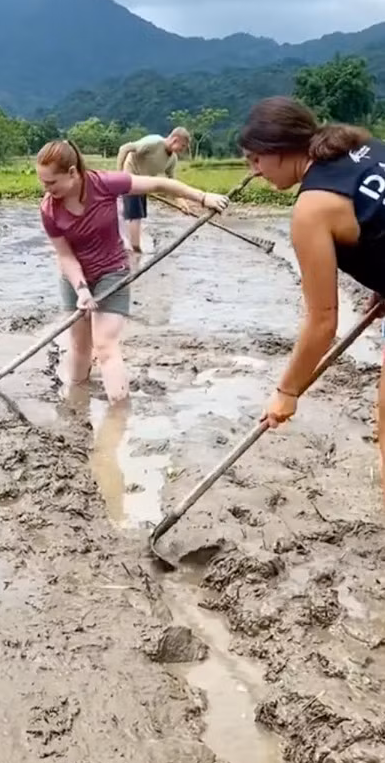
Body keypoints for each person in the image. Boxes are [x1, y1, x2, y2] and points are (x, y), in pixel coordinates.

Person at [238, 96, 385, 493]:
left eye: (255, 159)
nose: (253, 172)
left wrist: (286, 392)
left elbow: (323, 320)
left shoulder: (312, 208)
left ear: (280, 151)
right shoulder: (366, 150)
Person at [37, 138, 229, 404]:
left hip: (111, 272)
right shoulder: (49, 210)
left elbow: (160, 184)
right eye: (42, 182)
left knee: (104, 344)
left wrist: (203, 197)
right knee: (80, 347)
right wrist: (81, 290)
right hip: (74, 279)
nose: (46, 189)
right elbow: (66, 256)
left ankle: (119, 414)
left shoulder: (104, 184)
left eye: (51, 183)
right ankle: (76, 401)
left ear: (72, 173)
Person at [117, 128, 191, 252]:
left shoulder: (172, 159)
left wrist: (181, 202)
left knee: (138, 214)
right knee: (135, 215)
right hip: (130, 177)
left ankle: (130, 245)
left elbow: (172, 182)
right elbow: (125, 148)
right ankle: (136, 250)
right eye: (182, 146)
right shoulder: (154, 142)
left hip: (144, 183)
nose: (182, 150)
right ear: (175, 140)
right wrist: (119, 175)